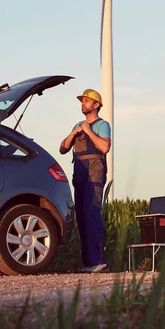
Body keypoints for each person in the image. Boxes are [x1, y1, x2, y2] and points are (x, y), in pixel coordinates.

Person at [60, 89, 111, 273]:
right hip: (80, 175)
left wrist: (88, 131)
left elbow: (105, 147)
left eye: (87, 101)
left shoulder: (102, 125)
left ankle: (100, 261)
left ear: (96, 105)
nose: (83, 103)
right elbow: (63, 149)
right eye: (82, 101)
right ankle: (89, 263)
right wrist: (74, 133)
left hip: (94, 175)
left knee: (92, 214)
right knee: (81, 217)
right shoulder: (77, 125)